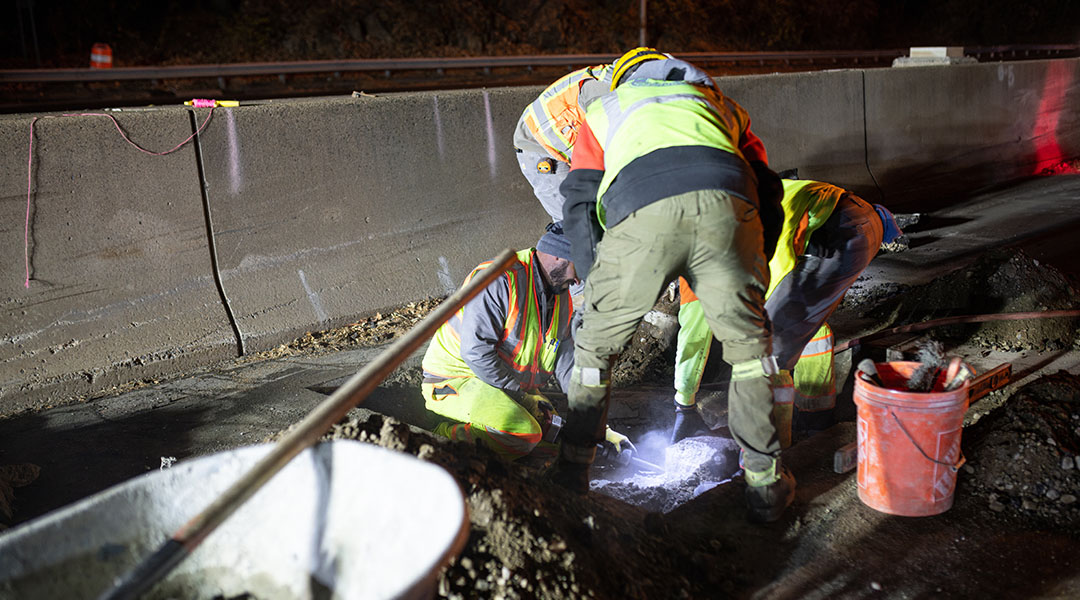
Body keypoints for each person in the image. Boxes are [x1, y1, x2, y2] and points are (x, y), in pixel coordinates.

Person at [554, 47, 793, 523]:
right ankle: (765, 487)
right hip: (728, 211)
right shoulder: (721, 105)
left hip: (640, 217)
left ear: (623, 78)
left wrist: (596, 271)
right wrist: (753, 265)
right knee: (751, 357)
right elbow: (768, 188)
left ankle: (569, 481)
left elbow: (579, 199)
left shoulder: (605, 110)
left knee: (594, 357)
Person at [670, 176, 904, 447]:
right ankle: (816, 420)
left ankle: (767, 454)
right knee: (805, 329)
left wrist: (684, 404)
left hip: (835, 233)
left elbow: (695, 337)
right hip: (857, 220)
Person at [420, 228, 633, 460]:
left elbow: (570, 365)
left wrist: (599, 428)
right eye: (579, 269)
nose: (578, 280)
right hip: (455, 381)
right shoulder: (500, 279)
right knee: (523, 433)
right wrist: (522, 399)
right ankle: (442, 437)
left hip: (509, 386)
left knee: (553, 438)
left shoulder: (560, 295)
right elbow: (476, 353)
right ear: (559, 255)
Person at [513, 62, 614, 225]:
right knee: (570, 222)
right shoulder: (606, 92)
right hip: (539, 146)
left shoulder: (623, 83)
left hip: (561, 140)